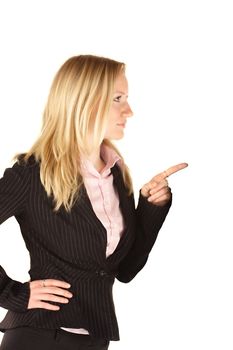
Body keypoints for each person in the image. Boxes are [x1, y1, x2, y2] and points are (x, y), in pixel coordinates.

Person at [0, 54, 188, 350]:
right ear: (84, 101)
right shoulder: (30, 174)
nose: (129, 110)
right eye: (118, 98)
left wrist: (151, 209)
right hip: (39, 336)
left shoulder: (116, 176)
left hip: (94, 340)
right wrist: (11, 293)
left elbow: (125, 271)